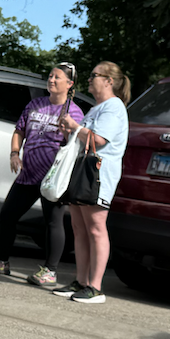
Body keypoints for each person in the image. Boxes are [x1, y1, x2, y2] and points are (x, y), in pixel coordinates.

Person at [0, 63, 84, 287]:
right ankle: (1, 261)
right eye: (50, 76)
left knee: (53, 221)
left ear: (69, 84)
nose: (51, 80)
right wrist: (15, 153)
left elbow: (76, 145)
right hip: (28, 172)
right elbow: (19, 130)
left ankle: (50, 271)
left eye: (57, 77)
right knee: (8, 214)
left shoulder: (74, 112)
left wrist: (69, 131)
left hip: (52, 177)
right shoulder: (36, 105)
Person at [56, 61, 129, 304]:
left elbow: (99, 140)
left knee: (96, 228)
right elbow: (84, 138)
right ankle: (80, 281)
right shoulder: (98, 108)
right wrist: (69, 131)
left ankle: (95, 287)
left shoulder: (113, 107)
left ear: (109, 81)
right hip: (83, 172)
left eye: (94, 75)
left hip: (97, 175)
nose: (89, 79)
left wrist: (75, 127)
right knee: (79, 227)